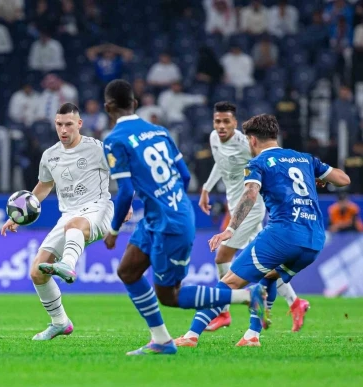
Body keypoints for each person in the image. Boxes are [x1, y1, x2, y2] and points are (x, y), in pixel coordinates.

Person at [102, 79, 267, 356]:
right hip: (161, 216)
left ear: (108, 107)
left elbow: (126, 191)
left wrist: (114, 230)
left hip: (170, 223)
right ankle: (161, 341)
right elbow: (185, 175)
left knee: (170, 295)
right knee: (127, 271)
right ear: (135, 104)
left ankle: (247, 296)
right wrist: (169, 198)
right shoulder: (159, 131)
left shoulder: (113, 140)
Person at [174, 103, 310, 349]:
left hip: (250, 209)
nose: (221, 126)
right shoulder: (214, 138)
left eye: (226, 121)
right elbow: (221, 163)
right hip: (234, 206)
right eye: (217, 121)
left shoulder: (248, 146)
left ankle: (223, 311)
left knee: (222, 257)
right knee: (268, 266)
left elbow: (270, 169)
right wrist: (206, 188)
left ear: (235, 124)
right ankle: (294, 302)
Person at [207, 114, 350, 347]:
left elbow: (250, 194)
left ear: (252, 140)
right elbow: (344, 179)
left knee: (229, 280)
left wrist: (230, 229)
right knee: (269, 276)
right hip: (314, 239)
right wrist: (318, 178)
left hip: (283, 233)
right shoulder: (305, 158)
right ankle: (254, 334)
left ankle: (192, 333)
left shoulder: (258, 163)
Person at [0, 103, 115, 341]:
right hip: (69, 215)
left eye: (68, 124)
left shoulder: (97, 148)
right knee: (37, 272)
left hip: (99, 208)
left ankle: (68, 265)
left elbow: (124, 173)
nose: (63, 130)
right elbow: (44, 186)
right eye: (59, 124)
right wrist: (18, 215)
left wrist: (128, 204)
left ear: (79, 124)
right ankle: (60, 322)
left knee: (75, 225)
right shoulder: (50, 155)